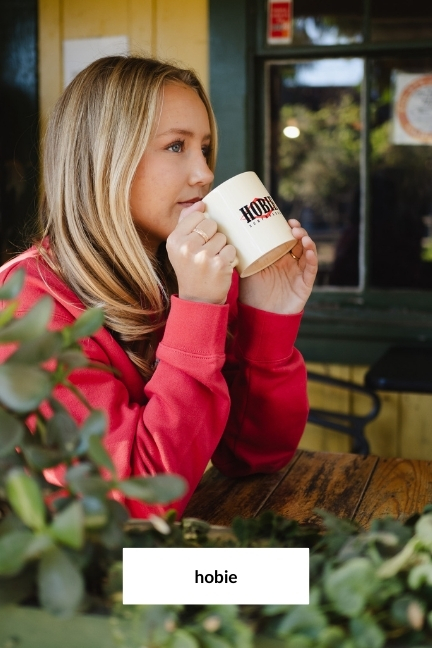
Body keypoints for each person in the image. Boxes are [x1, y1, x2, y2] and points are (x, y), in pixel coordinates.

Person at [0, 56, 318, 518]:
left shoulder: (189, 272)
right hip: (76, 573)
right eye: (175, 147)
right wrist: (196, 307)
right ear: (105, 160)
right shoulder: (28, 301)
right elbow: (131, 504)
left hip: (158, 560)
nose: (204, 174)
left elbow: (254, 457)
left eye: (204, 148)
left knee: (299, 580)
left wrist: (268, 319)